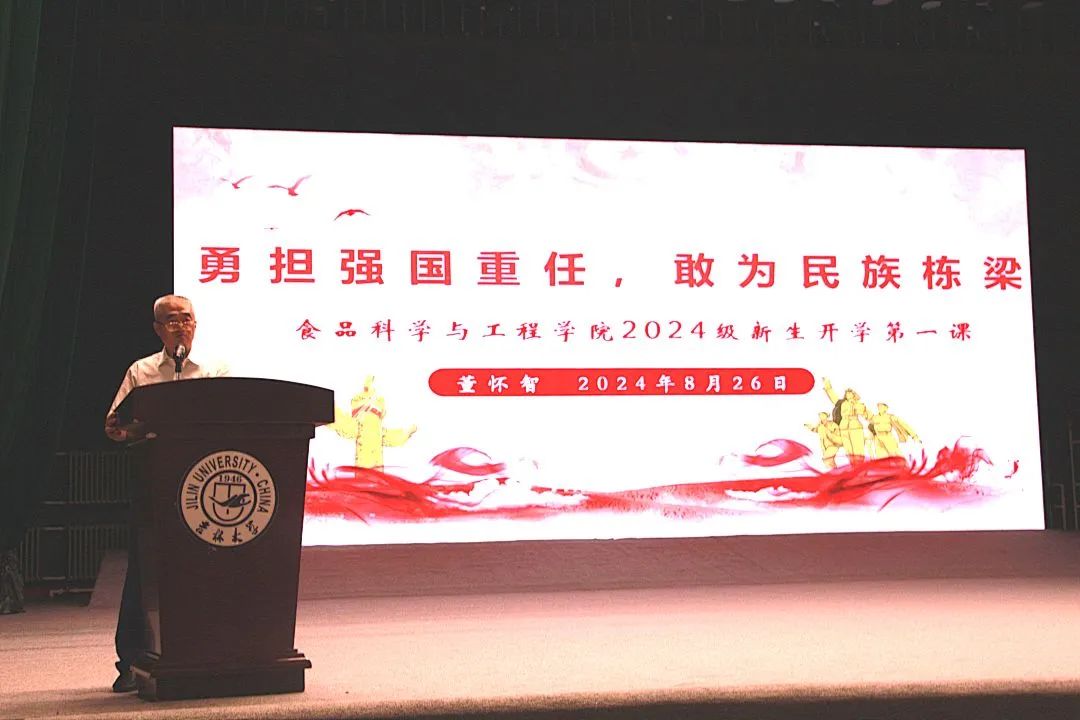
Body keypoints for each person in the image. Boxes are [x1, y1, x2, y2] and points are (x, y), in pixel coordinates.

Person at [104, 295, 228, 692]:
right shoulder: (141, 371)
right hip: (153, 483)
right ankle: (132, 660)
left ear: (196, 324)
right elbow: (115, 425)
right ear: (158, 330)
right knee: (145, 570)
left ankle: (211, 653)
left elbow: (230, 417)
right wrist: (130, 429)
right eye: (171, 321)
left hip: (204, 485)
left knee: (206, 568)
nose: (180, 326)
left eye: (186, 319)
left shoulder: (215, 370)